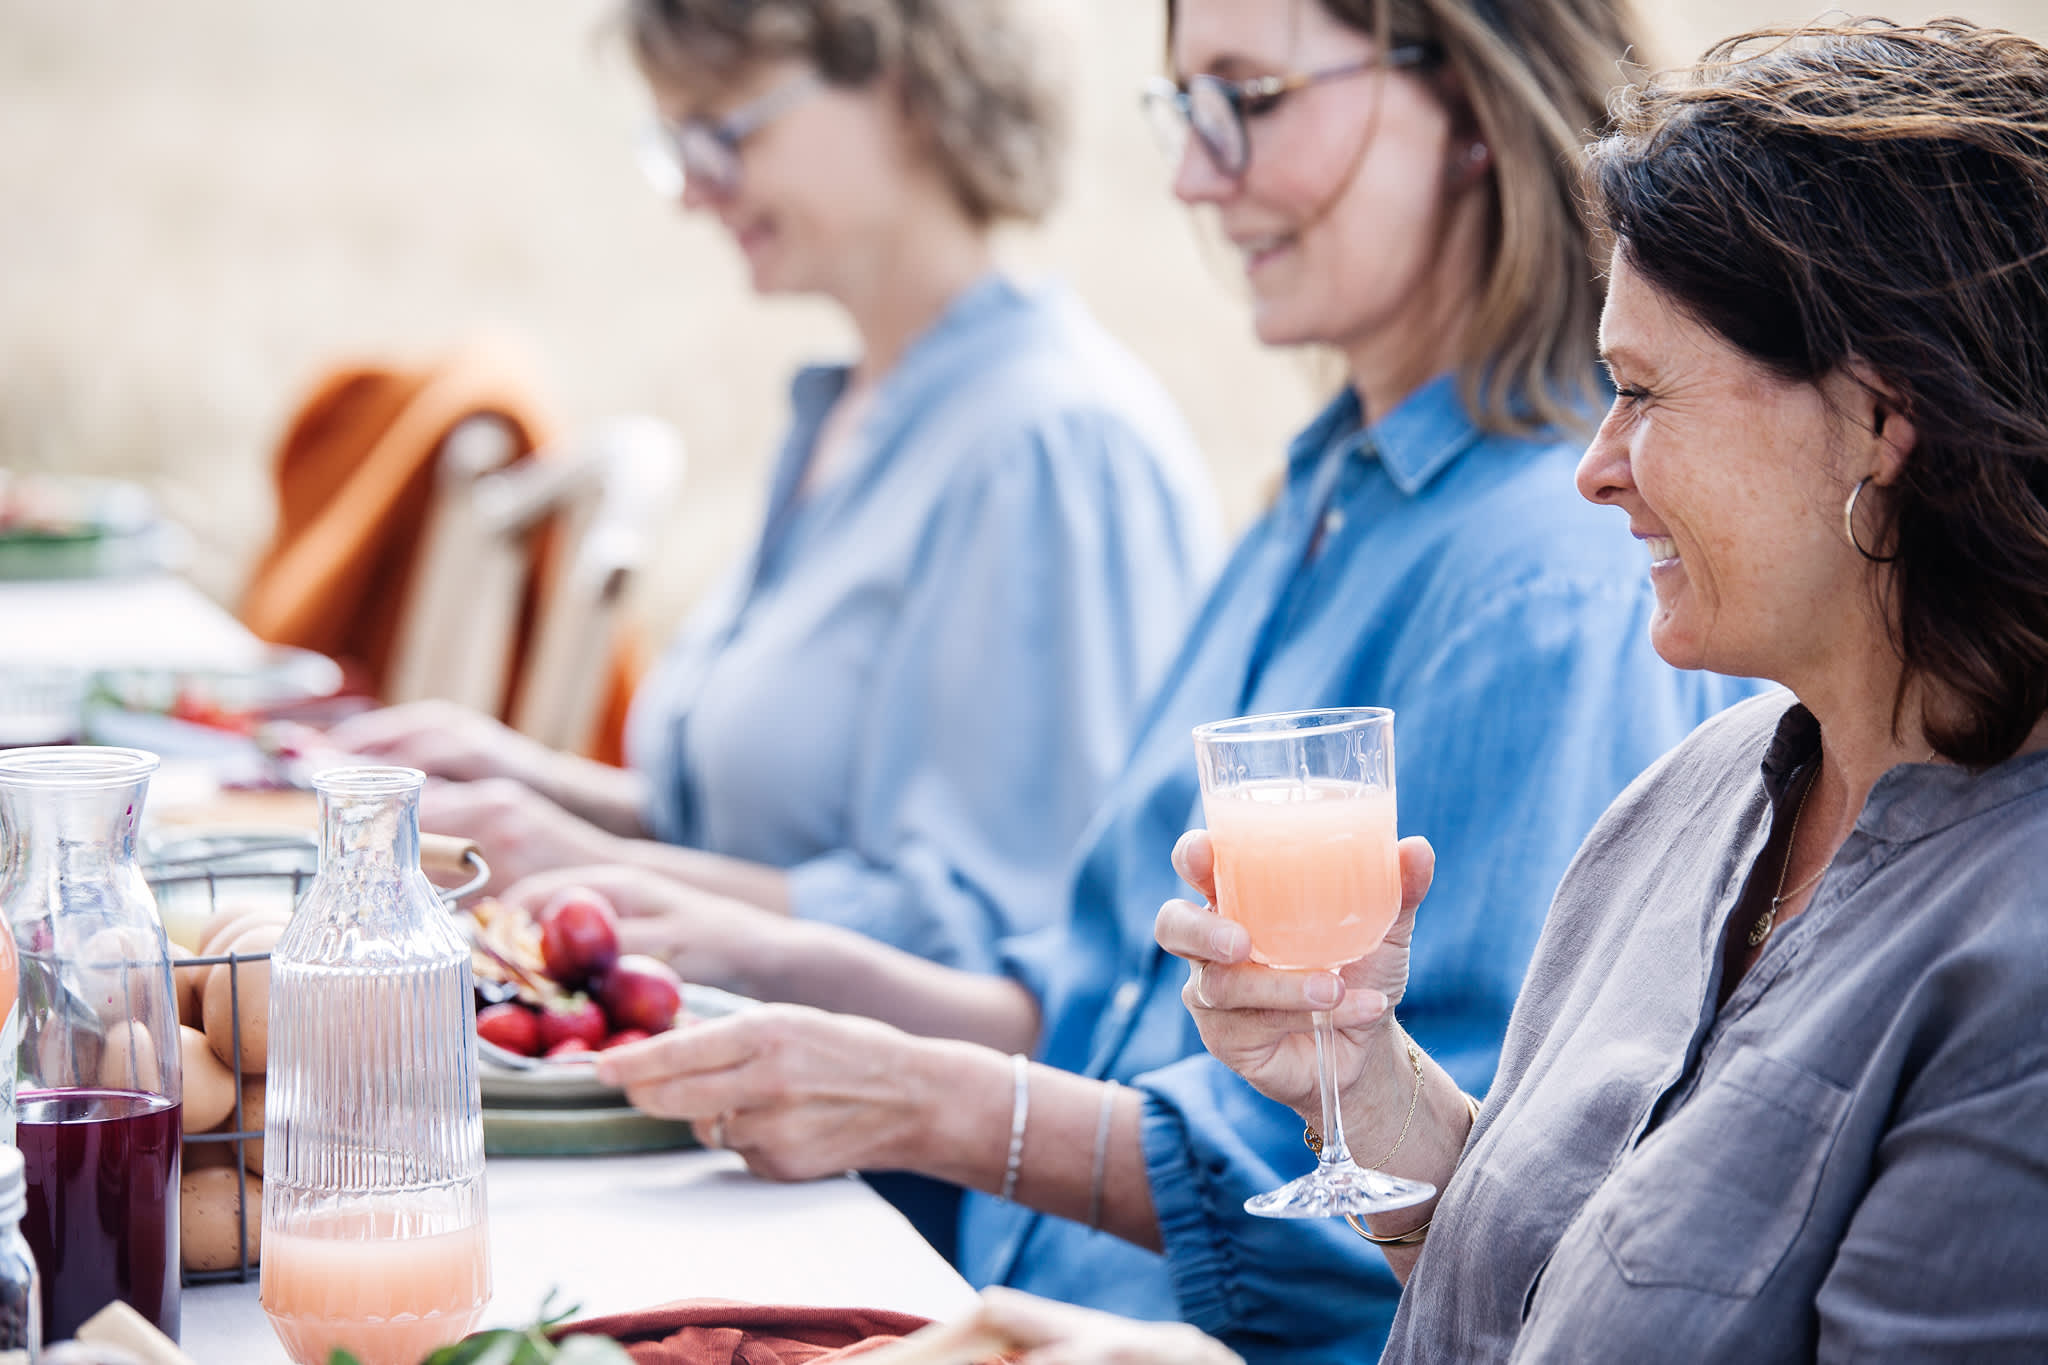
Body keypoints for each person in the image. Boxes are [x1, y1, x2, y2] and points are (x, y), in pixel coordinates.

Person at [506, 0, 1756, 1357]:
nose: (1192, 173)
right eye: (1183, 108)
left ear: (1466, 103)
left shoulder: (1540, 580)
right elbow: (1097, 995)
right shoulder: (1325, 492)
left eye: (1251, 98)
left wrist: (933, 1105)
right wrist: (762, 956)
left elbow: (1445, 1202)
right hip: (994, 1302)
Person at [1140, 18, 2048, 1363]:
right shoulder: (1692, 800)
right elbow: (1546, 1286)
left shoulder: (2015, 973)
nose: (1596, 467)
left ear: (1879, 414)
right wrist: (1357, 1081)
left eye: (1639, 395)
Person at [326, 0, 1222, 972]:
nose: (692, 191)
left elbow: (1011, 947)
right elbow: (777, 834)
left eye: (724, 130)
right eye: (677, 142)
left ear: (904, 89)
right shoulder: (852, 409)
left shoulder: (1047, 452)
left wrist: (598, 861)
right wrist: (543, 793)